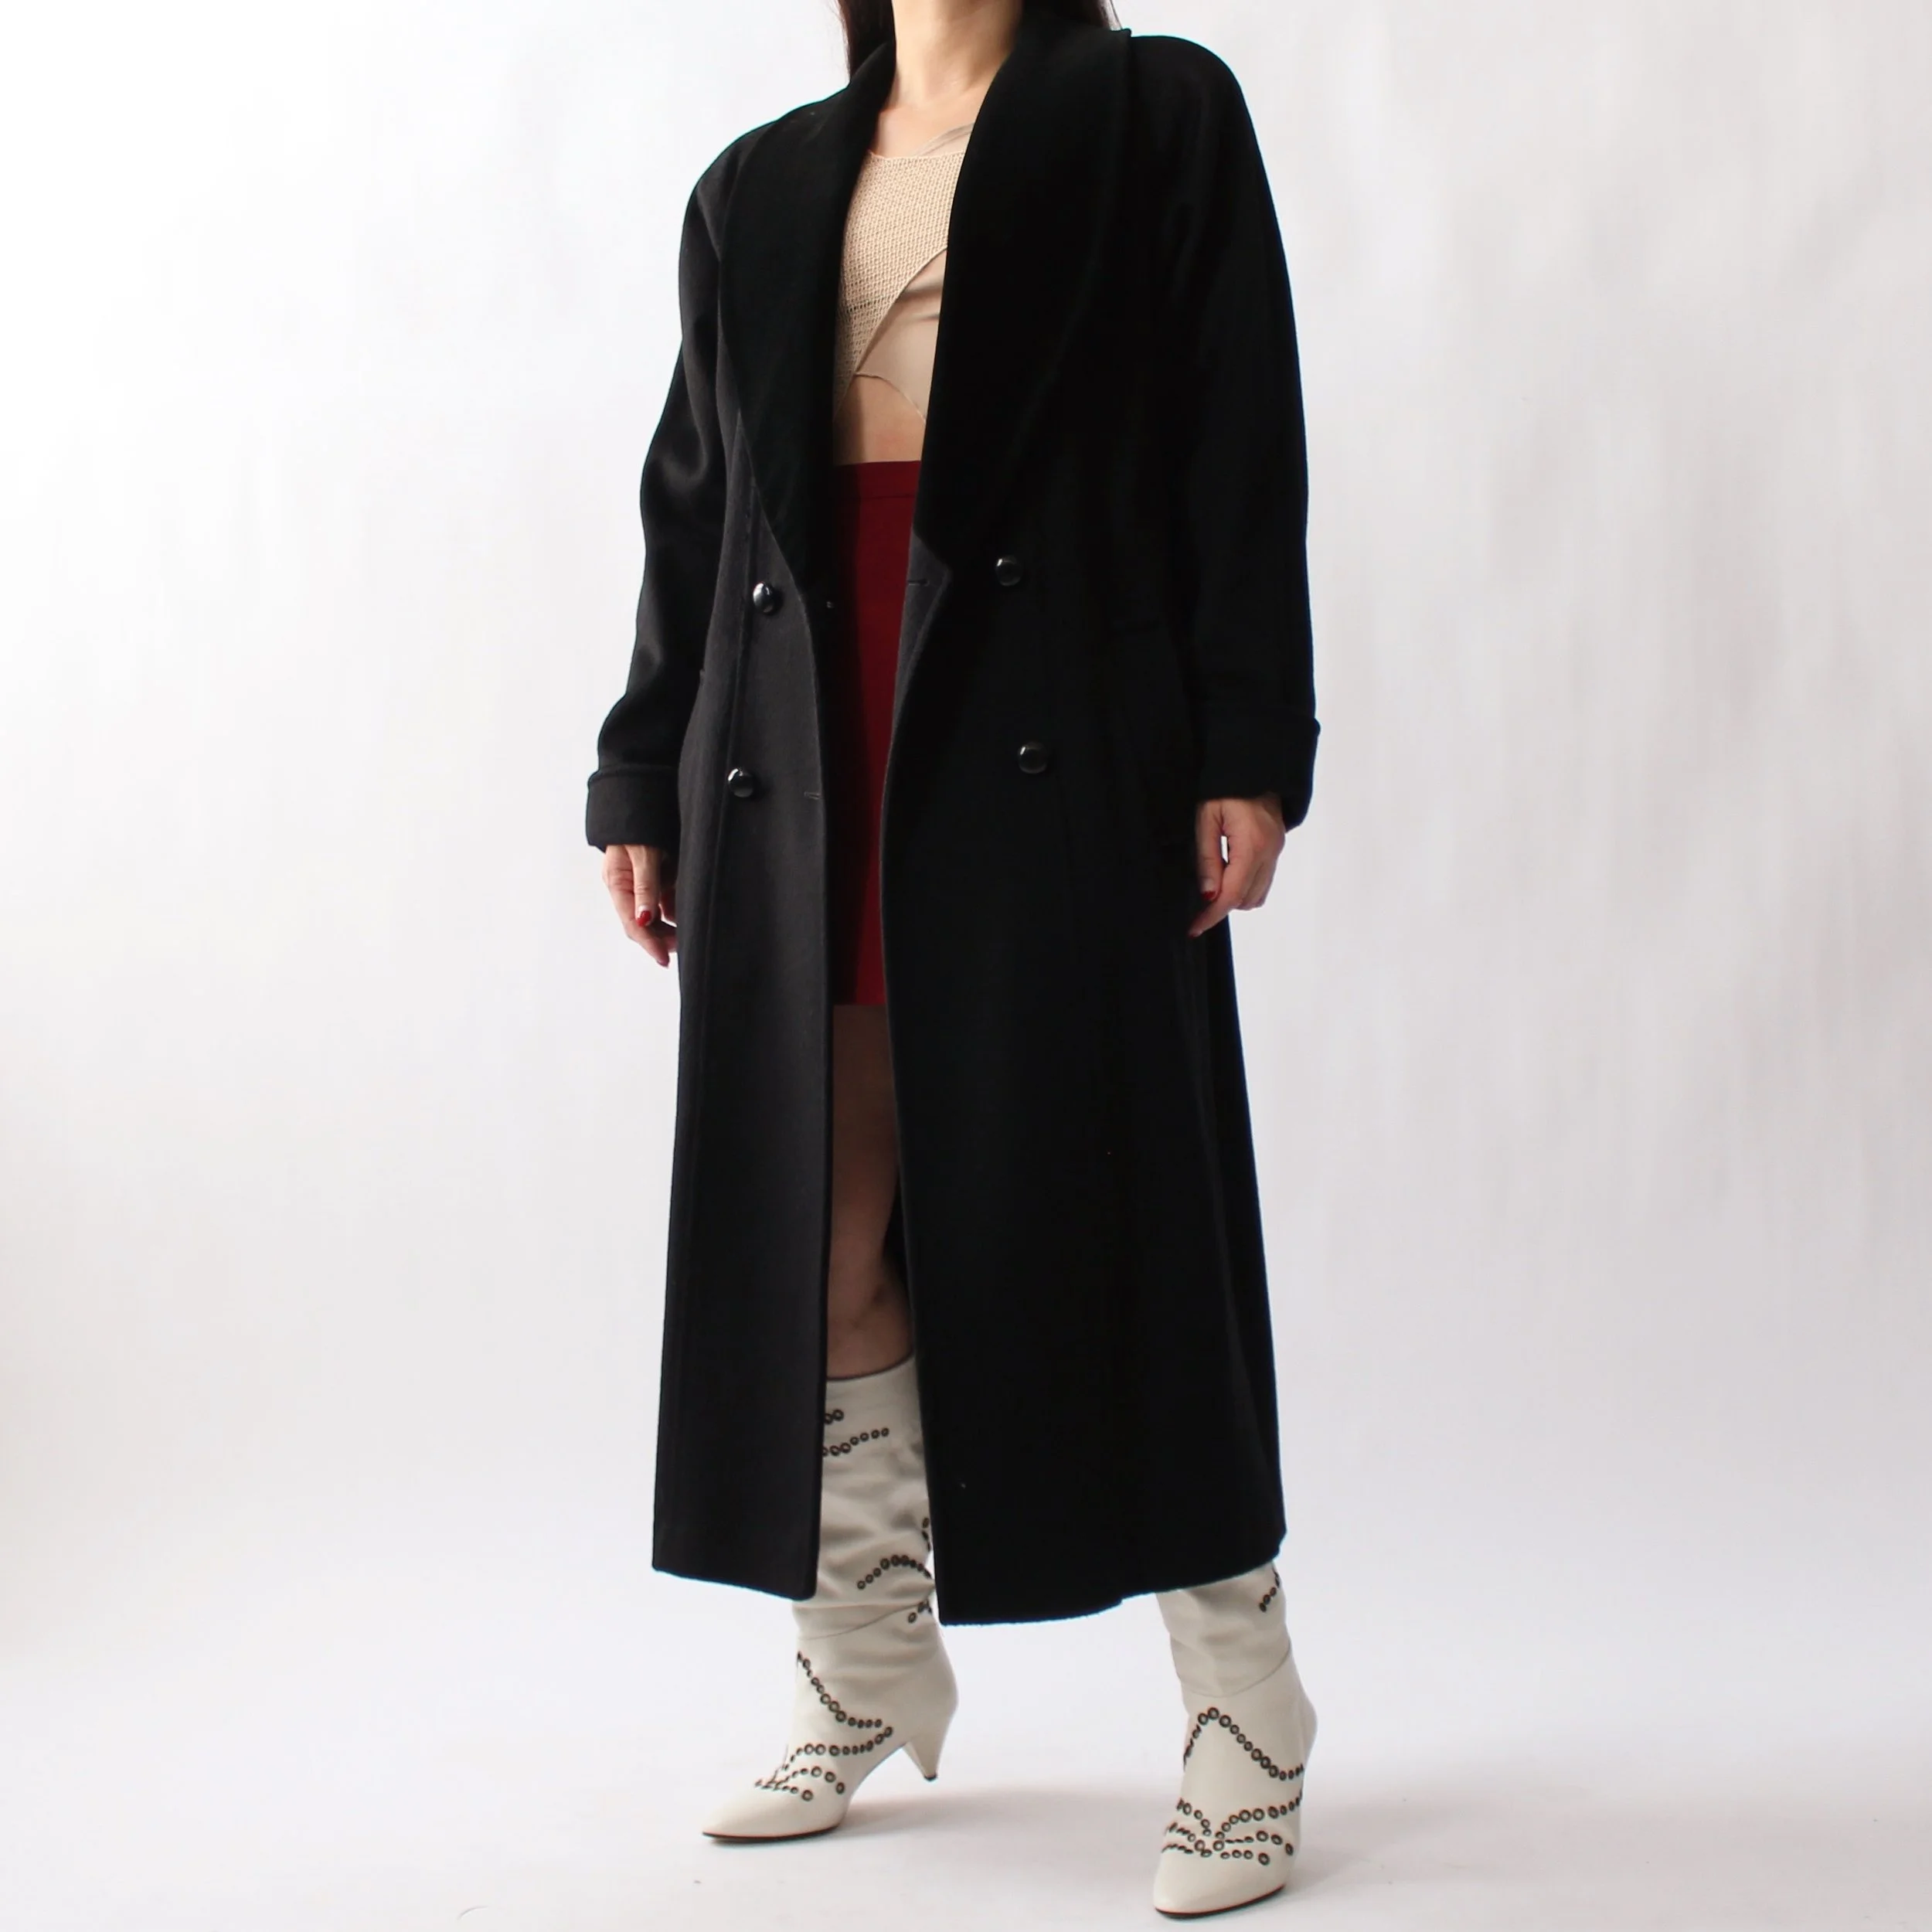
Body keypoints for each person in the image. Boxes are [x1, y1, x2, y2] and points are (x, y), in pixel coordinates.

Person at [586, 0, 1321, 1914]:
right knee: (823, 1230)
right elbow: (697, 502)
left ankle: (1245, 1703)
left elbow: (1237, 429)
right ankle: (866, 1647)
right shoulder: (759, 183)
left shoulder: (1153, 112)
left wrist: (1247, 737)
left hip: (1053, 724)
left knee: (1124, 1212)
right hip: (799, 743)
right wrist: (641, 763)